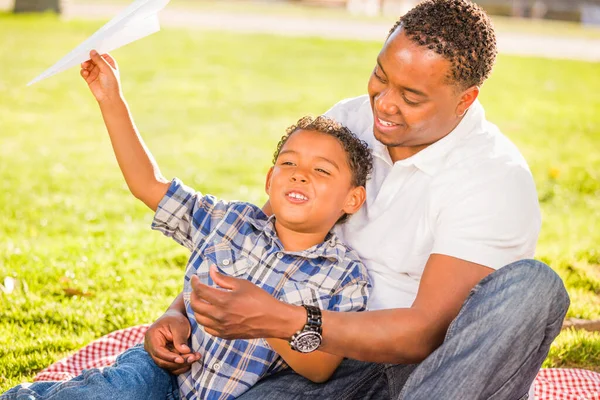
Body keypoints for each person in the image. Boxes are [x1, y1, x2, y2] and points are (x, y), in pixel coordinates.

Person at [143, 1, 570, 399]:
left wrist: (282, 319)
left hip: (422, 374)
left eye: (411, 97)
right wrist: (180, 310)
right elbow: (257, 237)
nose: (383, 103)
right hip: (309, 357)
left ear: (465, 100)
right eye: (381, 77)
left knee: (536, 287)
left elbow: (422, 335)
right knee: (136, 381)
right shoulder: (347, 123)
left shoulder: (493, 178)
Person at [1, 50, 375, 400]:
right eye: (289, 164)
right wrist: (111, 100)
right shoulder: (228, 222)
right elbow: (147, 184)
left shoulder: (346, 275)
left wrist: (265, 319)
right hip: (159, 373)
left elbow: (320, 368)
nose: (300, 176)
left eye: (321, 170)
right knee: (112, 393)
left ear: (352, 199)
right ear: (268, 181)